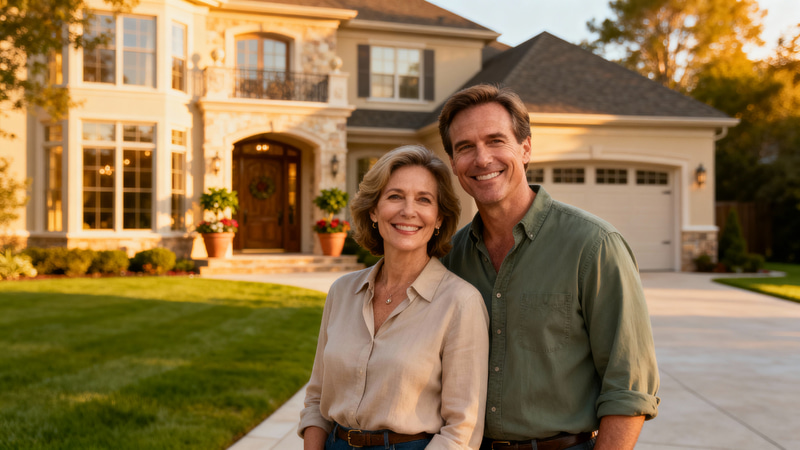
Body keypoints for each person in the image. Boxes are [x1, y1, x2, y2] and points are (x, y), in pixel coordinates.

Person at [437, 84, 660, 450]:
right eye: (465, 147)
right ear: (453, 163)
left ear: (525, 148)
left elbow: (629, 387)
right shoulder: (450, 259)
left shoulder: (594, 246)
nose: (482, 159)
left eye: (496, 141)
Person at [299, 145, 490, 450]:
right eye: (395, 196)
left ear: (439, 218)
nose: (408, 211)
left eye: (424, 200)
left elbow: (461, 430)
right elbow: (316, 399)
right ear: (374, 210)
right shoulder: (342, 292)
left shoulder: (460, 303)